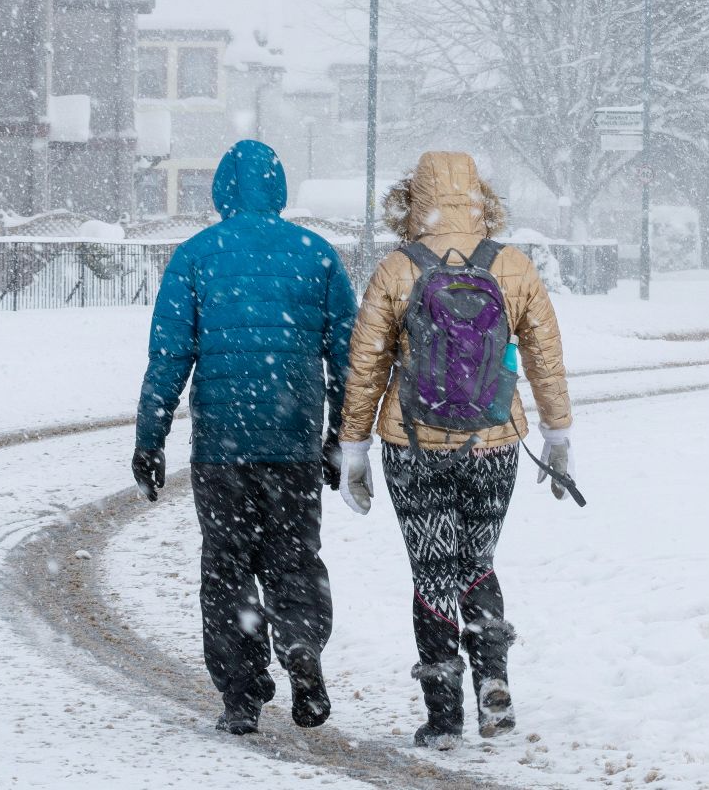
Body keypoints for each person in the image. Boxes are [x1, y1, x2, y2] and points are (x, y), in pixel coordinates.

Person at [336, 151, 576, 750]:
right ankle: (493, 682)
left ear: (412, 200)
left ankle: (443, 715)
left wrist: (354, 447)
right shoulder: (513, 265)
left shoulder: (398, 268)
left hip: (412, 444)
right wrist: (558, 435)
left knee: (432, 571)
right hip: (494, 443)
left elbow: (365, 365)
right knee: (478, 562)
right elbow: (546, 357)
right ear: (481, 198)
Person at [132, 139, 357, 736]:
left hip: (222, 445)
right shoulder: (317, 255)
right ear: (279, 188)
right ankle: (302, 647)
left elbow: (169, 356)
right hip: (294, 440)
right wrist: (341, 436)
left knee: (227, 566)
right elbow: (349, 359)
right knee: (294, 559)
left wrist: (149, 439)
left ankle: (241, 692)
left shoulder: (196, 256)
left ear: (222, 191)